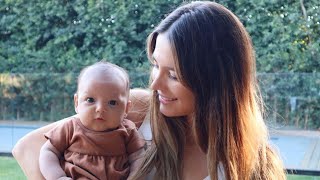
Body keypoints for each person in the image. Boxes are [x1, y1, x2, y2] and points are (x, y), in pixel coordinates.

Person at [12, 1, 286, 180]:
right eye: (155, 65)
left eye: (174, 75)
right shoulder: (138, 108)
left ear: (216, 80)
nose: (154, 84)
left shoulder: (257, 165)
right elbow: (27, 149)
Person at [38, 61, 145, 180]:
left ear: (126, 109)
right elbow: (48, 151)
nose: (100, 109)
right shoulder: (69, 128)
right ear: (77, 102)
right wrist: (58, 177)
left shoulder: (128, 131)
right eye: (90, 100)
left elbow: (139, 158)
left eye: (112, 102)